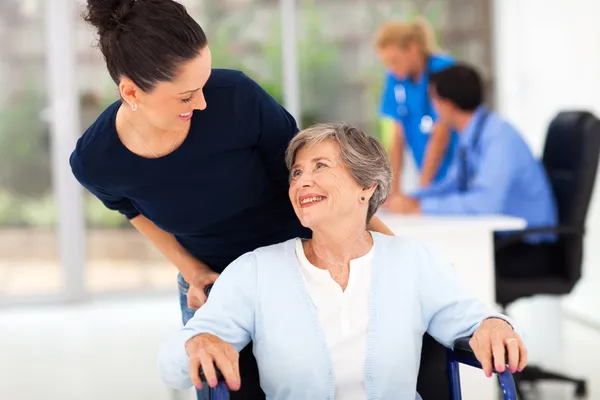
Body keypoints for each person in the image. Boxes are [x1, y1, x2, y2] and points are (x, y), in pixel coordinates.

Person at [70, 1, 393, 399]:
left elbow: (314, 181)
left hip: (302, 264)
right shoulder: (96, 160)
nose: (203, 103)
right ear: (131, 91)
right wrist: (192, 270)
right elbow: (129, 208)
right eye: (186, 96)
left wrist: (389, 247)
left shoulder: (236, 98)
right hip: (217, 284)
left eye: (204, 85)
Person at [158, 123, 528, 399]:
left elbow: (472, 317)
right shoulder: (256, 270)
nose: (302, 181)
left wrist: (494, 325)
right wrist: (198, 342)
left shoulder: (413, 260)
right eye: (297, 172)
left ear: (366, 186)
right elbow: (173, 365)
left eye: (320, 166)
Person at [391, 64, 559, 274]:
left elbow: (484, 204)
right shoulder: (473, 133)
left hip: (529, 247)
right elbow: (454, 184)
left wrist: (421, 208)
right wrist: (411, 198)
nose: (433, 108)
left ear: (447, 104)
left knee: (436, 268)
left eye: (434, 100)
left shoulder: (498, 137)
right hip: (504, 240)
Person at [374, 18, 458, 202]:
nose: (392, 68)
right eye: (387, 63)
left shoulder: (443, 70)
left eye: (394, 60)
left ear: (413, 48)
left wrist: (421, 192)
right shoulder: (396, 79)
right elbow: (397, 138)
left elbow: (441, 134)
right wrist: (392, 192)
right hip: (428, 179)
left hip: (457, 175)